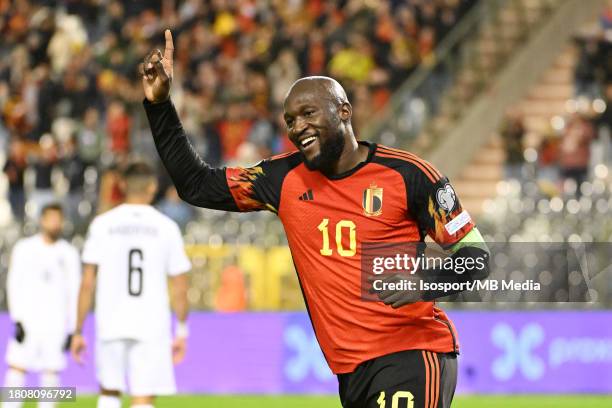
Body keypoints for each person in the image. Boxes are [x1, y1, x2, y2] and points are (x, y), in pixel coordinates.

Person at [141, 30, 489, 408]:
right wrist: (160, 106)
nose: (297, 127)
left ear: (344, 111)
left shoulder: (408, 174)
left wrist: (423, 281)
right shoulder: (281, 179)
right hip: (351, 371)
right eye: (290, 120)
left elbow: (476, 258)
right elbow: (196, 185)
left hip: (412, 353)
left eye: (308, 113)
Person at [70, 162, 191, 408]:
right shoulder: (166, 227)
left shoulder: (102, 224)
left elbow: (87, 282)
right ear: (152, 187)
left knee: (109, 392)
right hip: (151, 324)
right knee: (144, 396)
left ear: (123, 186)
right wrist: (181, 330)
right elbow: (179, 285)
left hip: (111, 321)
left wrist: (79, 330)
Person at [3, 203, 81, 408]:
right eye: (51, 219)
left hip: (55, 324)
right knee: (17, 369)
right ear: (42, 220)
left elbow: (75, 291)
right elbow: (13, 283)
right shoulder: (24, 248)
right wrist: (17, 318)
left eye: (59, 219)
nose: (55, 223)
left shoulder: (69, 253)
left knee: (51, 374)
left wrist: (73, 328)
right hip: (28, 322)